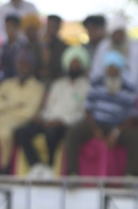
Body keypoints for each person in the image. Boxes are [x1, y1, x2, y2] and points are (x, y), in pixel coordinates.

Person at [13, 45, 90, 177]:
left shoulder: (87, 87)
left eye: (77, 63)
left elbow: (83, 113)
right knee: (20, 132)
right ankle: (36, 165)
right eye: (72, 63)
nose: (74, 66)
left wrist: (61, 121)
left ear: (82, 66)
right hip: (49, 120)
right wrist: (41, 117)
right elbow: (49, 107)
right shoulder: (58, 84)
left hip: (67, 123)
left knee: (52, 133)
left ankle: (50, 167)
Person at [63, 50, 138, 176]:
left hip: (117, 125)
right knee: (73, 132)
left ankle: (131, 175)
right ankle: (72, 173)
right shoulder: (96, 84)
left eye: (115, 67)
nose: (111, 70)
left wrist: (116, 132)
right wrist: (95, 129)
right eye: (109, 67)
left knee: (135, 136)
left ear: (120, 69)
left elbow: (132, 116)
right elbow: (88, 110)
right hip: (96, 123)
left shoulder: (129, 89)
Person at [89, 15, 138, 85]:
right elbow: (96, 72)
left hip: (127, 87)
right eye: (115, 33)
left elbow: (134, 76)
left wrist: (118, 72)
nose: (118, 36)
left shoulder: (134, 47)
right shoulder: (104, 45)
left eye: (120, 33)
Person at [42, 15, 67, 84]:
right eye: (49, 26)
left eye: (54, 26)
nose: (51, 29)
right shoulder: (39, 44)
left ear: (59, 27)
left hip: (57, 82)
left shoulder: (63, 47)